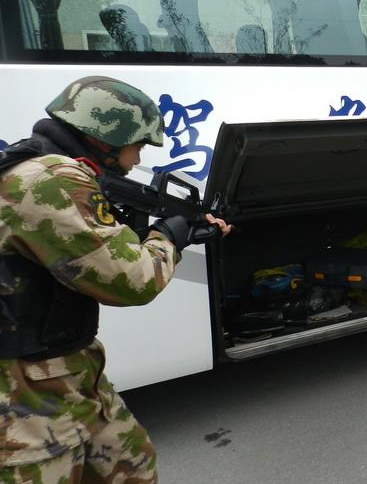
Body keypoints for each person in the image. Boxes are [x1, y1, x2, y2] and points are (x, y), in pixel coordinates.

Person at [0, 76, 231, 483]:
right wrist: (169, 236)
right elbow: (132, 281)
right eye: (137, 145)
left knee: (133, 467)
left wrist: (174, 232)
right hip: (22, 395)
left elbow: (89, 248)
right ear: (106, 137)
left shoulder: (56, 167)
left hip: (69, 369)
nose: (137, 157)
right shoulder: (50, 180)